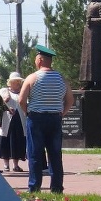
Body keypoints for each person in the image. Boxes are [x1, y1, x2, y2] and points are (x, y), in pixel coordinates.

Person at [17, 45, 73, 193]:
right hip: (55, 118)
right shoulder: (61, 78)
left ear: (40, 60)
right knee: (55, 154)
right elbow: (70, 100)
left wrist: (27, 112)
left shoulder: (32, 77)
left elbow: (21, 100)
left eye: (36, 58)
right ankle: (56, 188)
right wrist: (62, 113)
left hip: (36, 118)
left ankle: (34, 187)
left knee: (35, 153)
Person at [0, 72, 27, 173]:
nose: (17, 83)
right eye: (15, 81)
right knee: (6, 142)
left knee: (17, 142)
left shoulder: (22, 92)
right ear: (10, 82)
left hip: (20, 121)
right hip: (7, 121)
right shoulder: (4, 91)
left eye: (18, 81)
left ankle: (16, 165)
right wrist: (5, 99)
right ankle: (6, 165)